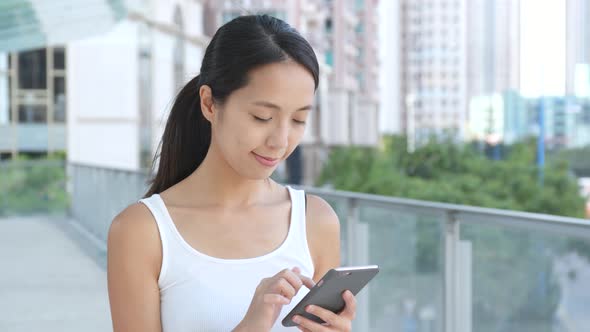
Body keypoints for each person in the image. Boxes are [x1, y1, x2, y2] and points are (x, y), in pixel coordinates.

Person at [107, 14, 357, 332]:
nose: (280, 141)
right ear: (210, 104)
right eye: (262, 116)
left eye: (298, 120)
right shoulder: (141, 232)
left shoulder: (316, 221)